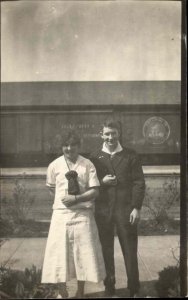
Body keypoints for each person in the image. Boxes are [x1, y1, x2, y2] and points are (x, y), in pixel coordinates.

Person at [41, 130, 106, 298]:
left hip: (83, 215)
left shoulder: (87, 164)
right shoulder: (54, 165)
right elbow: (52, 189)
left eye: (73, 145)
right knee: (59, 255)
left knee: (83, 255)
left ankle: (80, 292)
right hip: (61, 216)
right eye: (65, 145)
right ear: (61, 147)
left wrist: (76, 198)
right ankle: (63, 292)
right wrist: (64, 203)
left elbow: (95, 191)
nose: (69, 148)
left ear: (79, 146)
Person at [90, 119, 145, 298]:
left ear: (119, 134)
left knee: (130, 249)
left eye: (113, 133)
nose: (110, 137)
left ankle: (134, 289)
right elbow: (89, 184)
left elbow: (139, 183)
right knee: (106, 249)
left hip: (125, 210)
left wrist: (136, 207)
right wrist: (101, 182)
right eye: (107, 133)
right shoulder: (94, 157)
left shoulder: (130, 155)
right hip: (103, 211)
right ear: (101, 135)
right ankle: (109, 286)